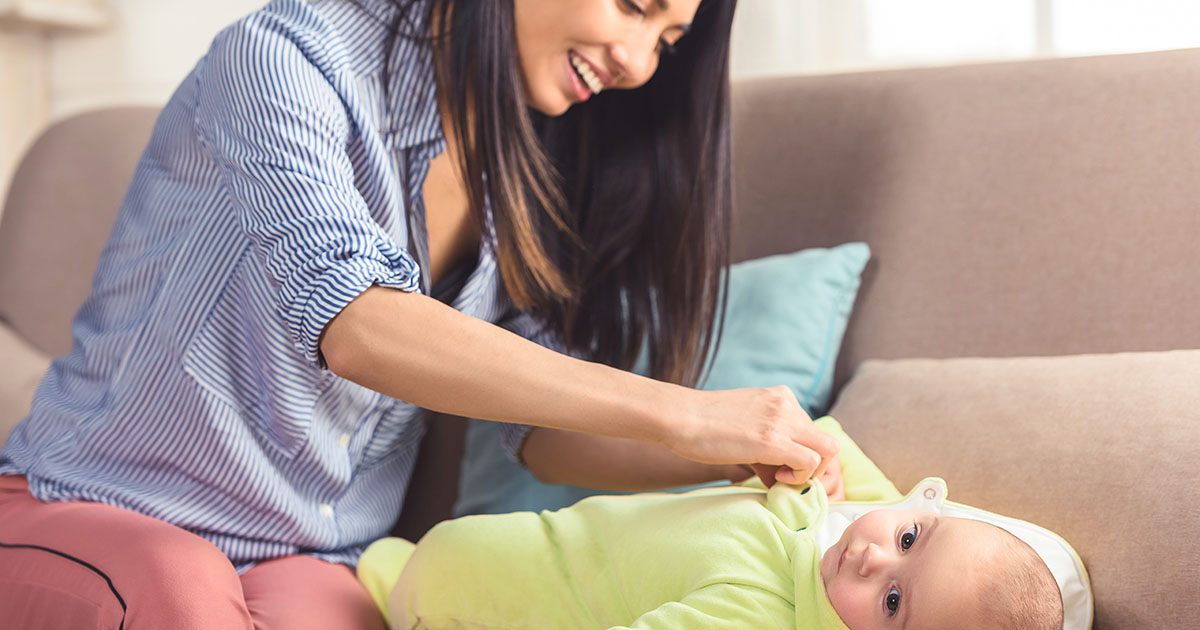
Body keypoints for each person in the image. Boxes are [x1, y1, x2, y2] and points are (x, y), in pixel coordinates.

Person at [0, 0, 846, 628]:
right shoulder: (284, 57)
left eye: (667, 40)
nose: (638, 62)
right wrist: (686, 414)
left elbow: (539, 431)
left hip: (306, 553)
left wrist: (722, 459)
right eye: (634, 6)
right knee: (179, 591)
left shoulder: (533, 169)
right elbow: (357, 324)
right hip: (96, 502)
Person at [357, 417, 1089, 630]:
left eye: (894, 602)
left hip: (474, 608)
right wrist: (819, 463)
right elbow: (831, 447)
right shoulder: (851, 522)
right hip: (498, 547)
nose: (875, 559)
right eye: (909, 539)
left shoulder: (760, 613)